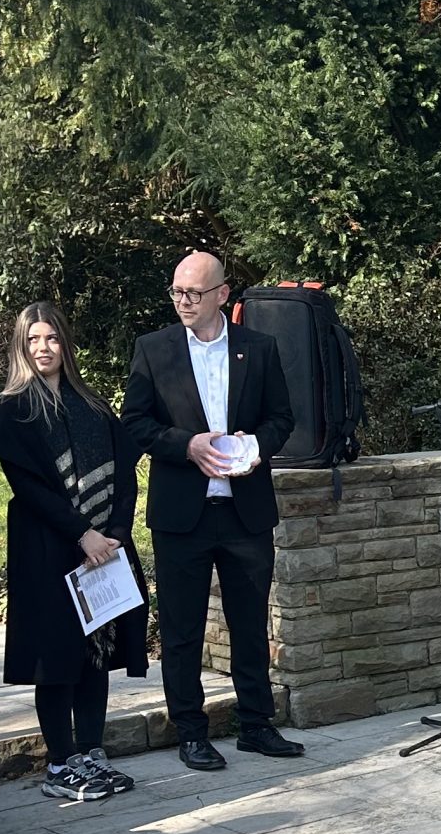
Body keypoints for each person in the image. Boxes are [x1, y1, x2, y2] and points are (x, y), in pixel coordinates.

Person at [120, 249, 304, 770]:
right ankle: (190, 732)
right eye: (177, 291)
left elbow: (281, 417)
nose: (183, 301)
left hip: (245, 511)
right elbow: (135, 422)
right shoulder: (153, 349)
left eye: (194, 293)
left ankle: (257, 725)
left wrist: (254, 447)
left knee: (250, 624)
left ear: (222, 294)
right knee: (182, 630)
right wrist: (187, 445)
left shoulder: (258, 348)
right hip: (183, 514)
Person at [0, 303, 149, 805]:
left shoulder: (93, 406)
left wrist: (114, 532)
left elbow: (125, 475)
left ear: (66, 344)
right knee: (56, 656)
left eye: (52, 338)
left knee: (95, 654)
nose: (43, 348)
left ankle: (91, 753)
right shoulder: (9, 411)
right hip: (48, 547)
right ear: (21, 345)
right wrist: (83, 534)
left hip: (104, 550)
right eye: (33, 339)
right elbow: (30, 488)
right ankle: (60, 762)